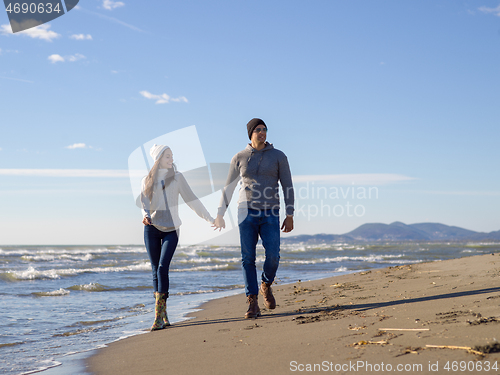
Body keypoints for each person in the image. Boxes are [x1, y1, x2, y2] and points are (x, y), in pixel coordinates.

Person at [213, 118, 294, 318]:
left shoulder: (278, 156)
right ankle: (252, 302)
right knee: (248, 258)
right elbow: (229, 187)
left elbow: (287, 185)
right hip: (245, 211)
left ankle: (266, 283)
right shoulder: (239, 157)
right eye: (258, 129)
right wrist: (220, 213)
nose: (262, 132)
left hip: (270, 212)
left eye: (265, 129)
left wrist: (290, 213)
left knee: (273, 255)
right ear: (250, 133)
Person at [140, 144, 214, 330]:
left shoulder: (178, 178)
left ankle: (158, 317)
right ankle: (162, 315)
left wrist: (209, 218)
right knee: (155, 270)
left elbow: (192, 200)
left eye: (171, 155)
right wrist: (146, 215)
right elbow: (144, 203)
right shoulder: (147, 180)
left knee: (163, 267)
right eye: (167, 156)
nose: (171, 159)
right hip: (151, 228)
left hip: (172, 229)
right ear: (158, 159)